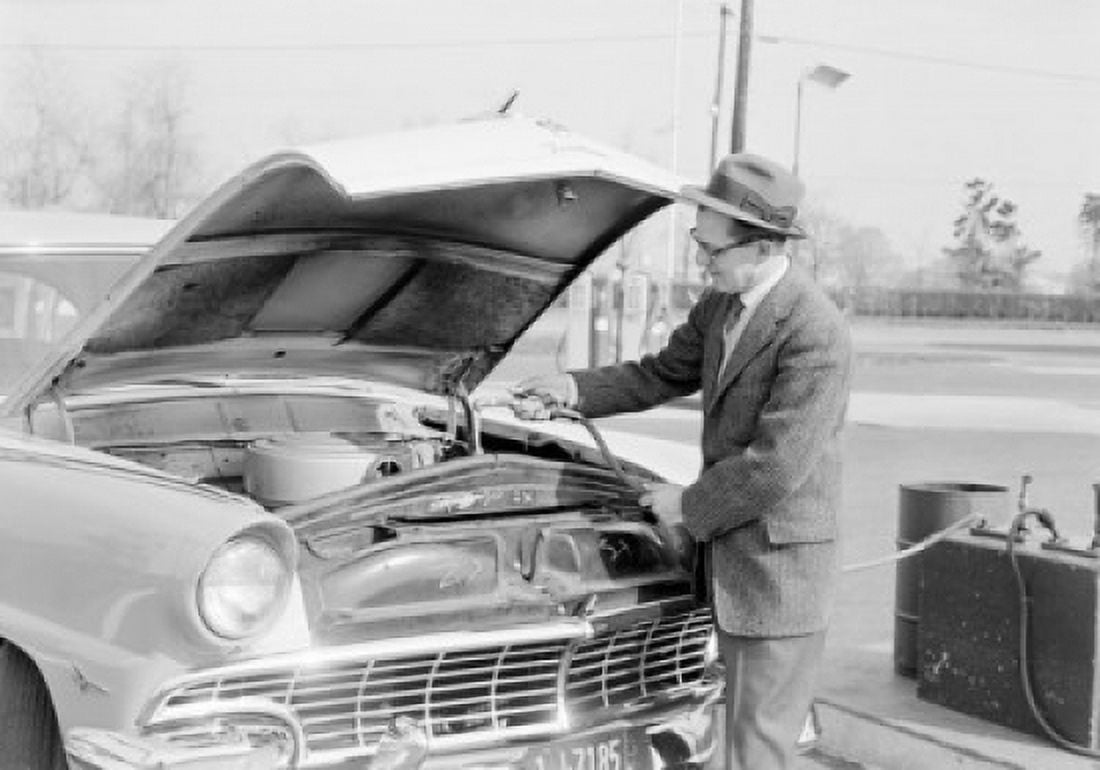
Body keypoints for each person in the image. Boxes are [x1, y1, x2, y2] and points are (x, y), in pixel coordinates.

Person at [515, 153, 852, 770]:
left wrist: (685, 505)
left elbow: (776, 465)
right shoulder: (722, 306)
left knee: (759, 750)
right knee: (723, 737)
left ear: (762, 247)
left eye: (711, 249)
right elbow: (662, 373)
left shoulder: (814, 331)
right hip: (724, 567)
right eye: (700, 243)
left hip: (777, 579)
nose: (701, 261)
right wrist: (572, 389)